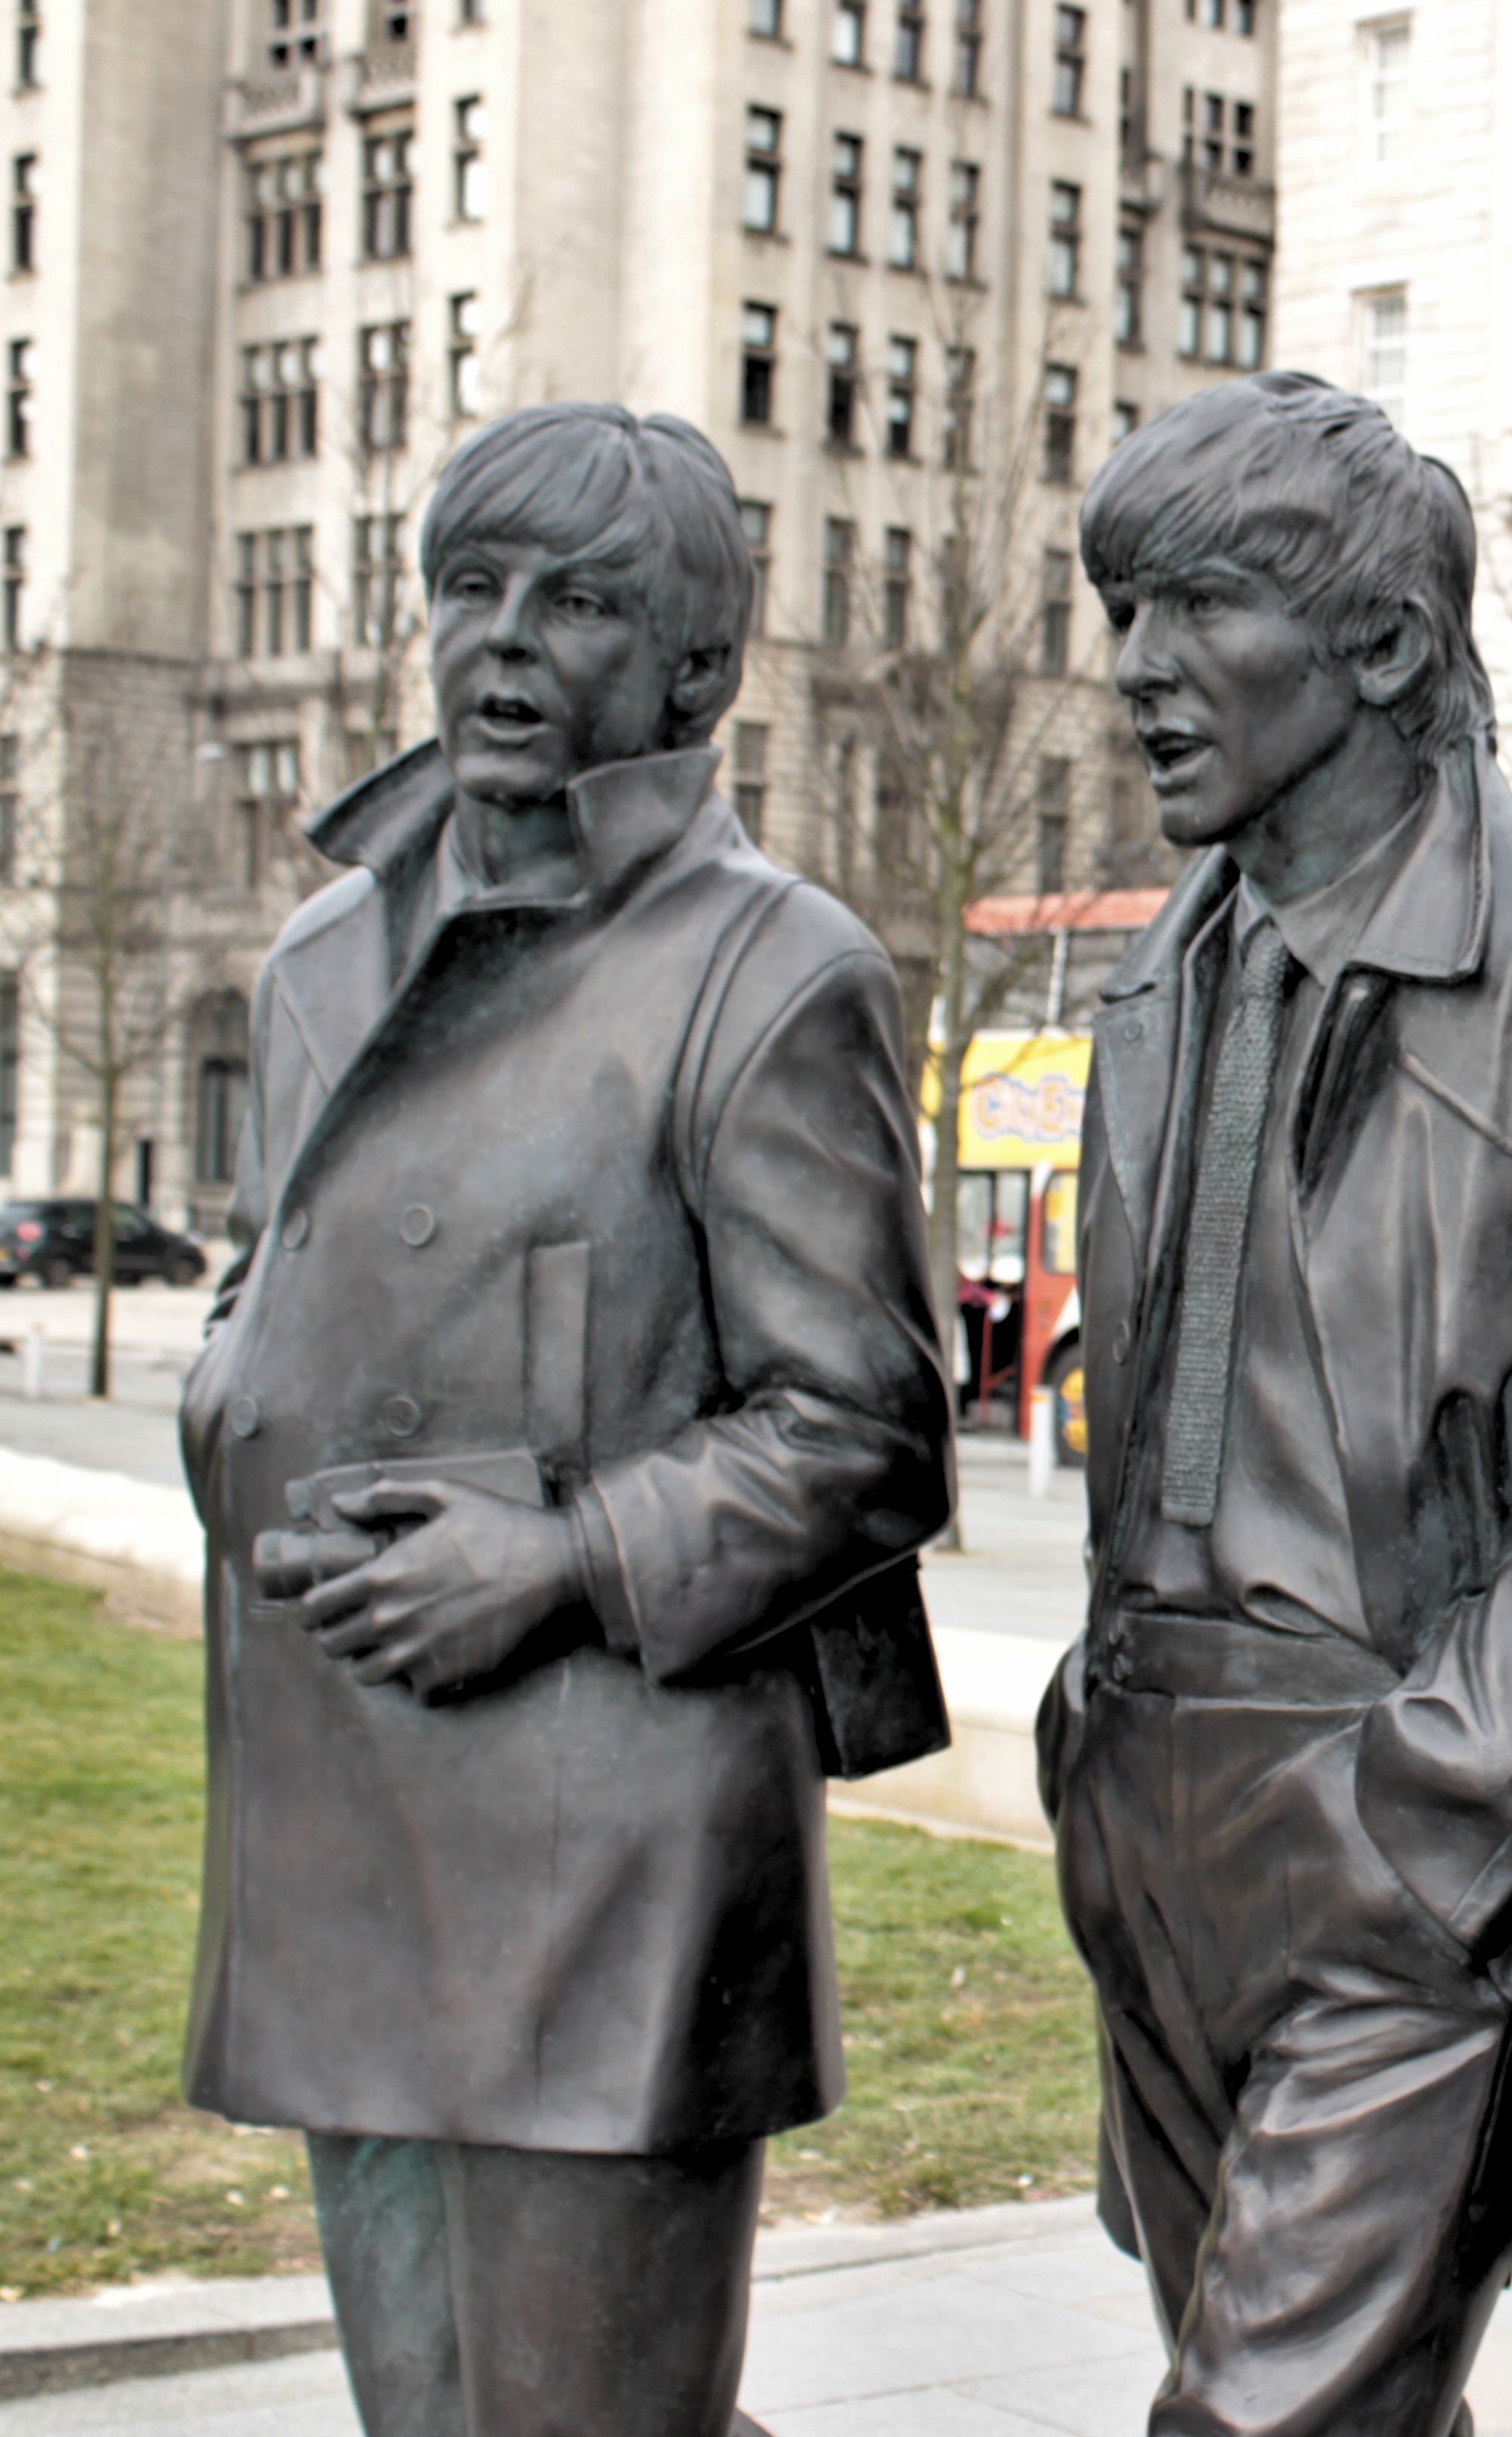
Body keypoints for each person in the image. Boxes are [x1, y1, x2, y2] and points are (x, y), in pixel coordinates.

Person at [1040, 371, 1512, 2437]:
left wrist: (1442, 1781)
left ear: (1382, 644)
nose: (1134, 672)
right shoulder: (1162, 976)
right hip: (1156, 1820)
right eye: (1123, 611)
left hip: (1404, 1811)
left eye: (1195, 610)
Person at [177, 401, 954, 2437]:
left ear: (698, 670)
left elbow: (868, 1424)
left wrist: (564, 1555)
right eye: (472, 588)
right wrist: (234, 1384)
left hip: (616, 1855)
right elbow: (298, 1276)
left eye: (584, 603)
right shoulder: (325, 960)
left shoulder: (774, 974)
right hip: (351, 1816)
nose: (507, 642)